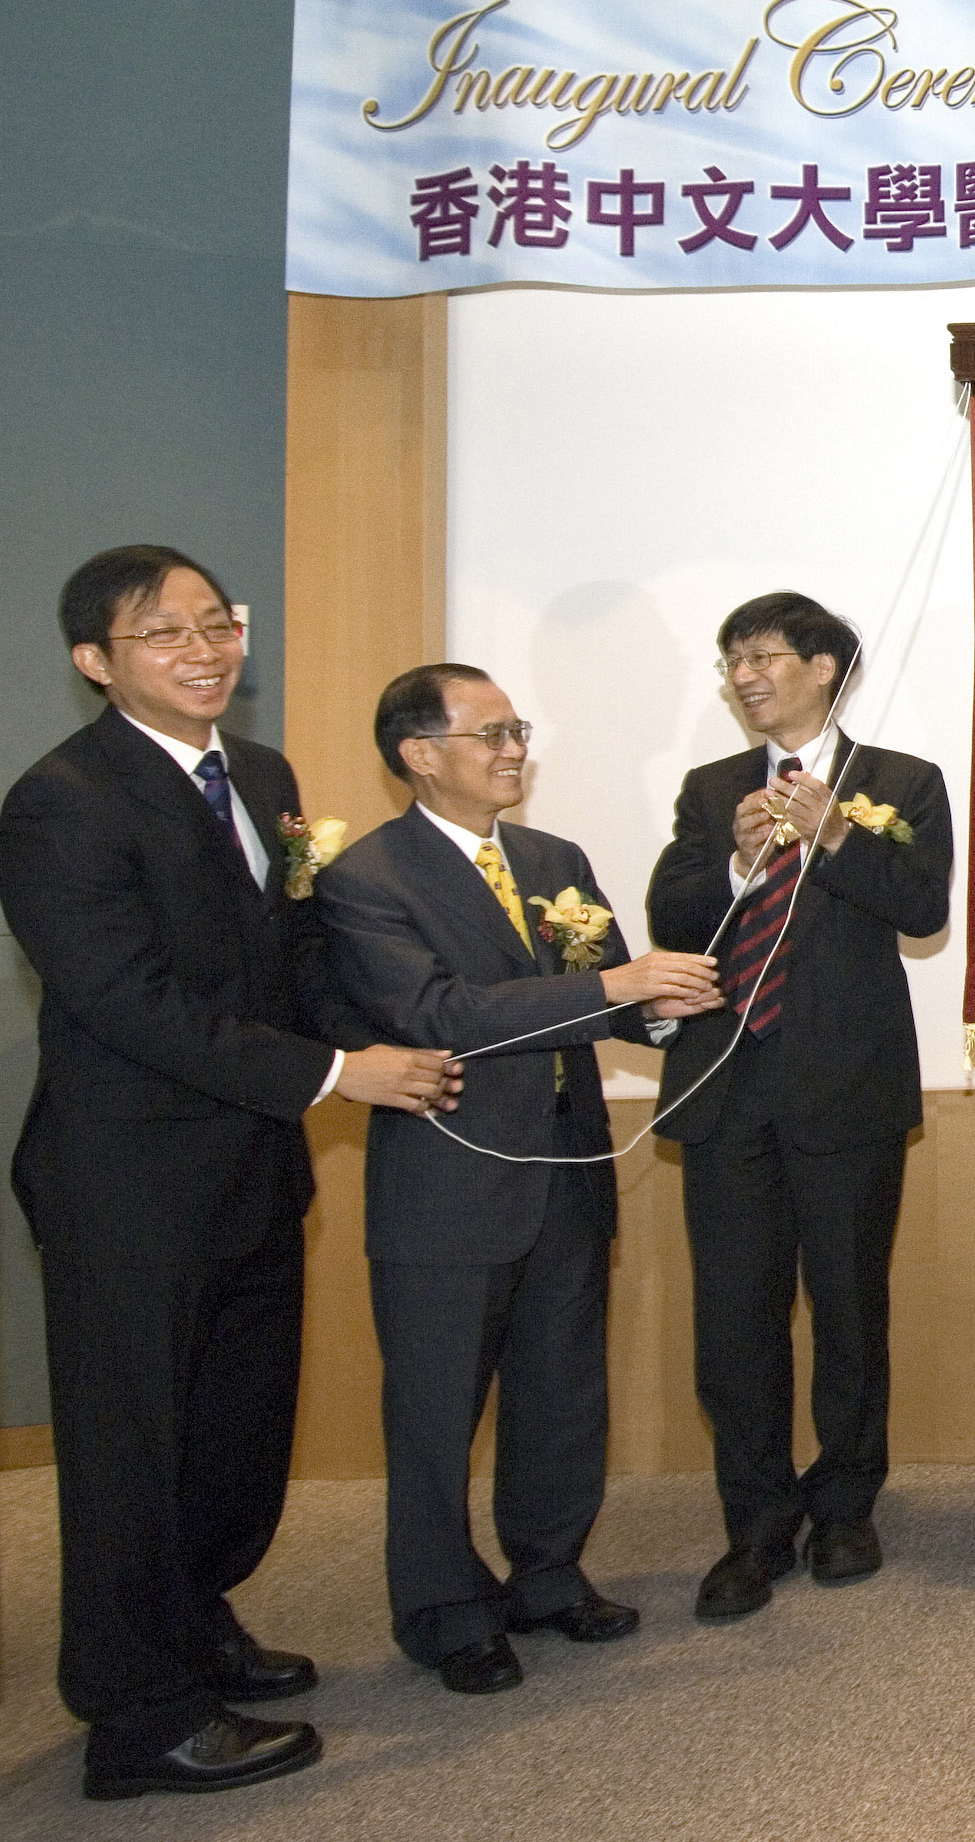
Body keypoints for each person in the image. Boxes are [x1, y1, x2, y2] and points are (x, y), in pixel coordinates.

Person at [0, 546, 457, 1799]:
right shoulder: (62, 801)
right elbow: (128, 1004)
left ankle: (193, 1627)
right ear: (95, 662)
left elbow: (291, 950)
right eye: (164, 634)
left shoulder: (259, 775)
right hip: (126, 1184)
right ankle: (136, 1720)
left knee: (231, 1438)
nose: (204, 650)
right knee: (130, 1453)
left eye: (218, 623)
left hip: (254, 1164)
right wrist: (332, 1075)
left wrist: (373, 1036)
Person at [315, 663, 718, 1694]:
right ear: (419, 753)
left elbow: (614, 1000)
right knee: (438, 1409)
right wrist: (614, 986)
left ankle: (548, 1575)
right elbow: (441, 1015)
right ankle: (446, 1611)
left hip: (567, 1169)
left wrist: (667, 1007)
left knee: (561, 1392)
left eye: (517, 731)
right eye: (491, 733)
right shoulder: (367, 880)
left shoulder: (552, 857)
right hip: (446, 1187)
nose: (512, 751)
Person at [647, 593, 952, 1619]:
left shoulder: (901, 781)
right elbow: (671, 914)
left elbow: (923, 909)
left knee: (849, 1310)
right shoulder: (710, 789)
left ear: (825, 666)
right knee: (734, 1320)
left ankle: (847, 1505)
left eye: (764, 656)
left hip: (846, 1092)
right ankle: (755, 1526)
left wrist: (834, 841)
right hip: (727, 1090)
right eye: (731, 659)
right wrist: (738, 861)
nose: (744, 676)